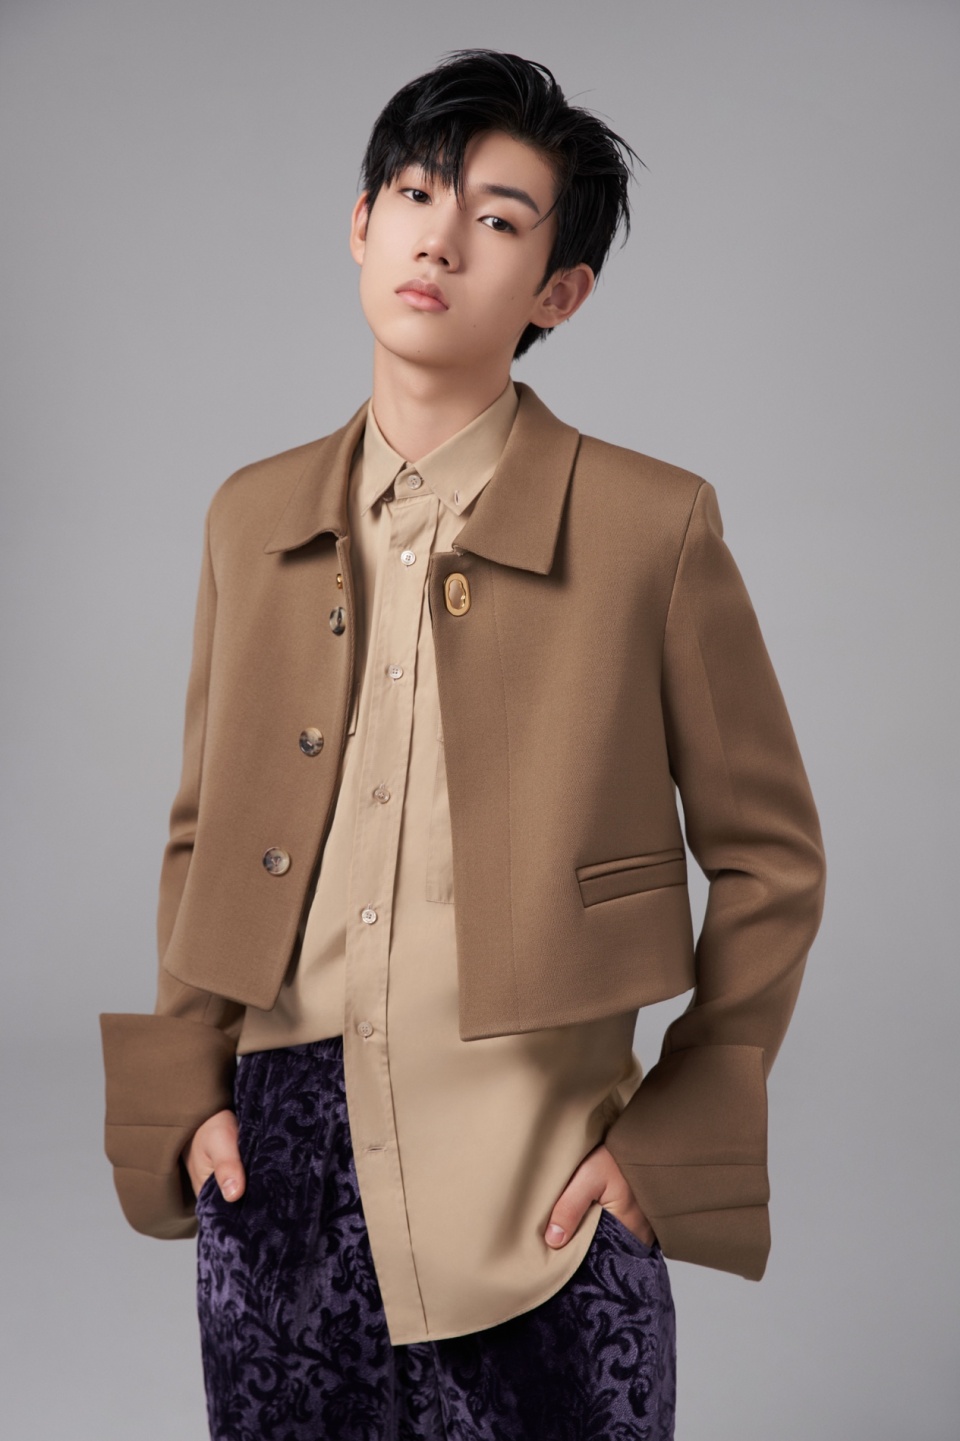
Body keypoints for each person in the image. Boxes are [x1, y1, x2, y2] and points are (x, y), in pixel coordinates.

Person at [100, 48, 826, 1441]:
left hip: (539, 1165)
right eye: (415, 195)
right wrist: (190, 1095)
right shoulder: (251, 517)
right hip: (276, 1166)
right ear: (360, 223)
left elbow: (772, 859)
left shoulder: (652, 526)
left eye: (498, 217)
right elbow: (205, 833)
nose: (440, 238)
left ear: (560, 292)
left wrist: (671, 1133)